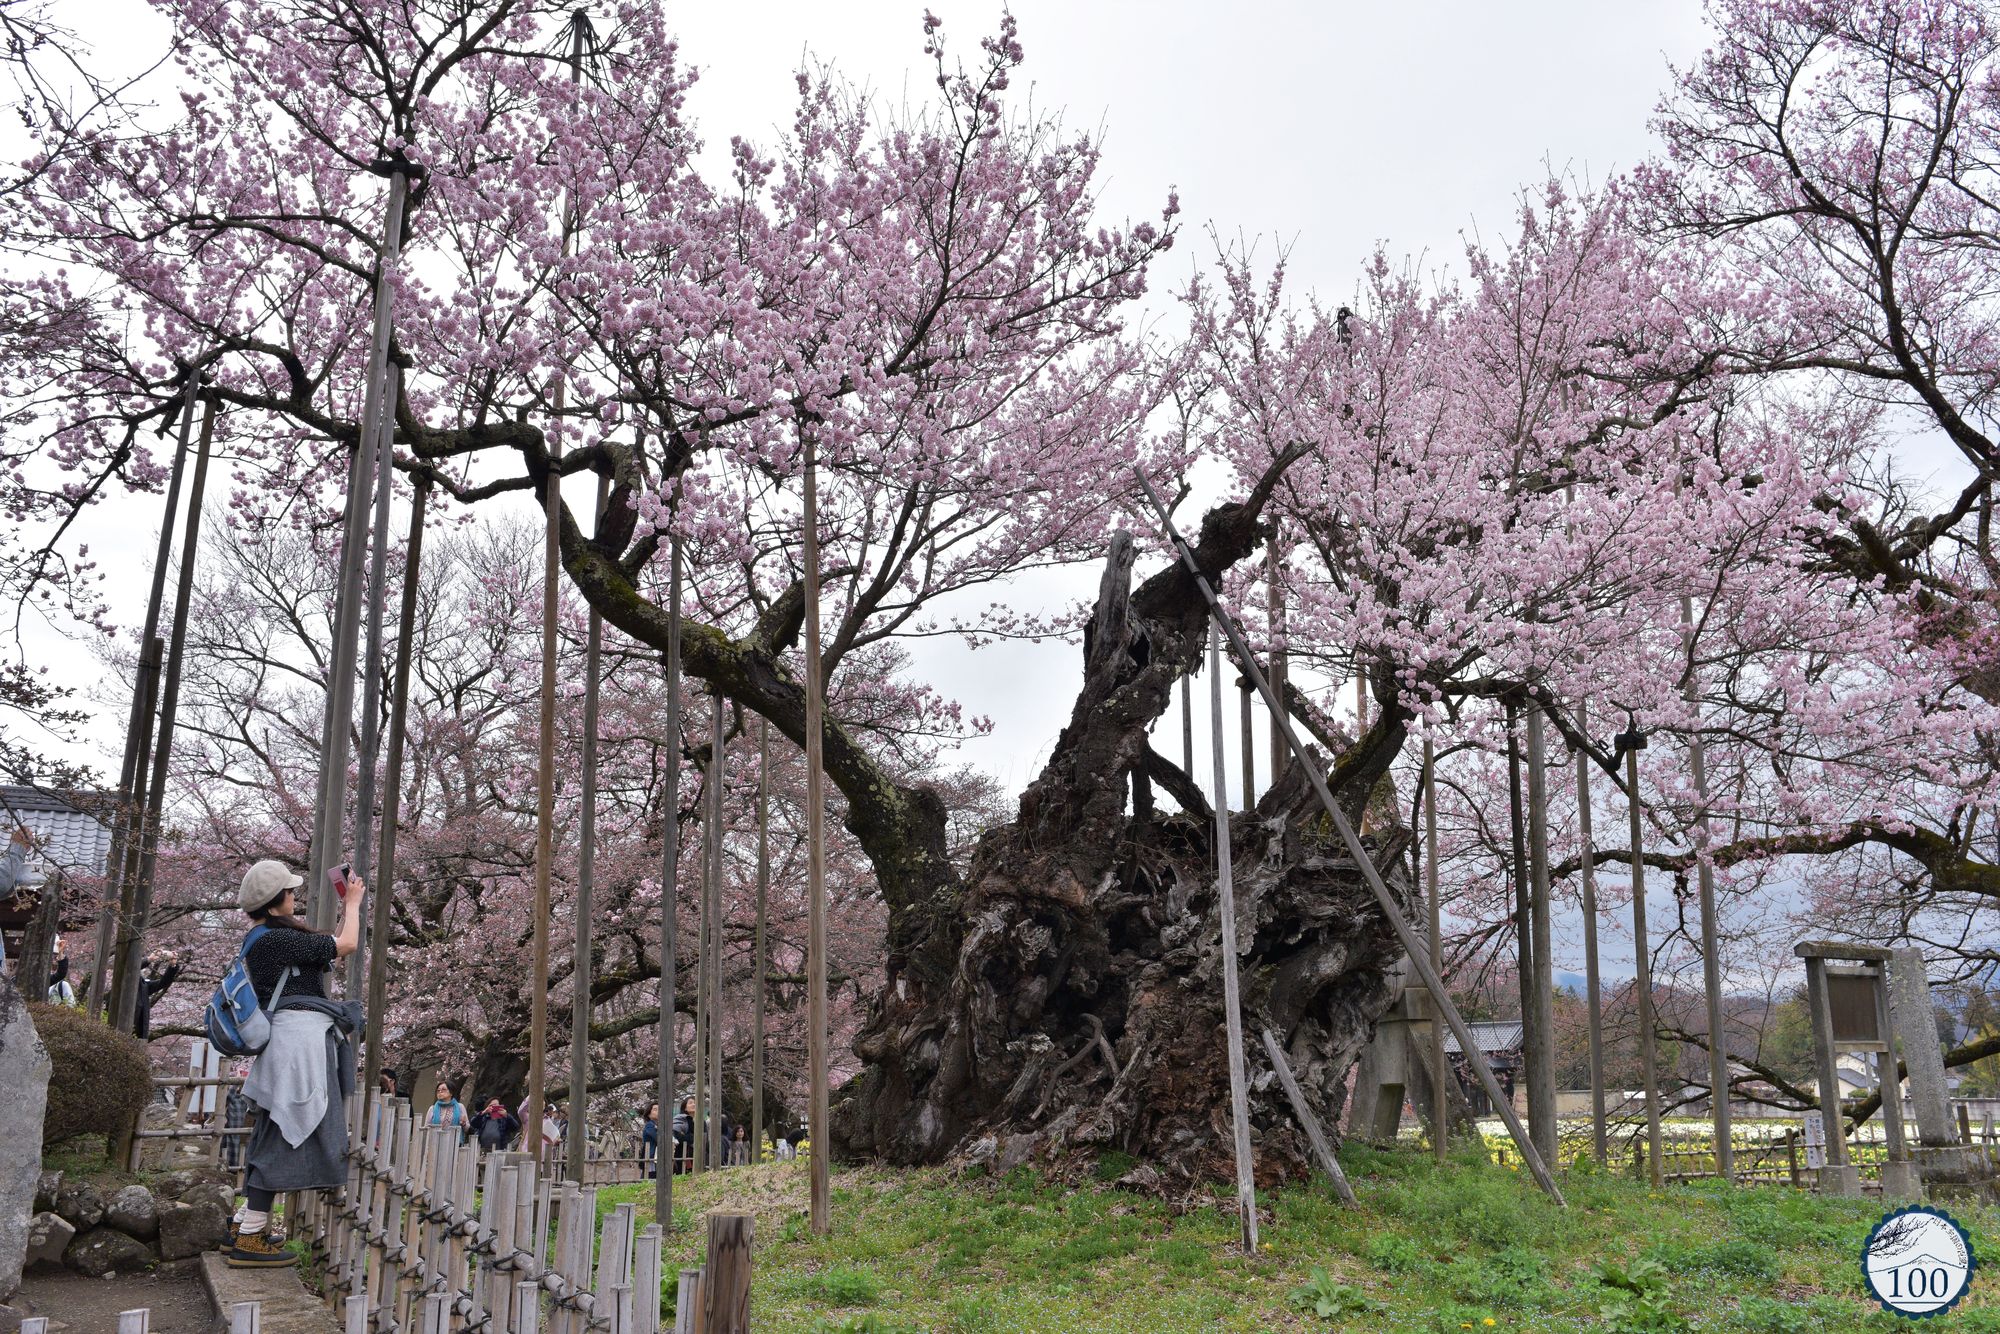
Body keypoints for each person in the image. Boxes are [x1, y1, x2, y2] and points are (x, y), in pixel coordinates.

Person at [227, 858, 364, 1269]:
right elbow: (347, 945)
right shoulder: (275, 940)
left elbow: (329, 948)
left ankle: (244, 1224)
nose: (294, 896)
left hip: (289, 1042)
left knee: (274, 1128)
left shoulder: (264, 939)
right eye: (289, 891)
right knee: (285, 1130)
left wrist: (346, 912)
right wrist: (353, 904)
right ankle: (250, 1237)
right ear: (275, 901)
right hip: (297, 1046)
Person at [135, 950, 182, 1040]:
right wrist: (149, 959)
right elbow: (131, 969)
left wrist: (172, 966)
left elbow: (163, 982)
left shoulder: (144, 985)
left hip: (139, 1032)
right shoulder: (124, 979)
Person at [671, 1097, 694, 1175]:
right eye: (690, 1103)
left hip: (695, 1153)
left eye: (695, 1103)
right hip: (681, 1153)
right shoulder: (679, 1119)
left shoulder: (702, 1121)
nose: (694, 1104)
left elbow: (704, 1137)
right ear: (685, 1107)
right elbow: (678, 1136)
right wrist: (691, 1137)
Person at [640, 1102, 660, 1178]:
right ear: (649, 1114)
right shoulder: (649, 1125)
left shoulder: (657, 1125)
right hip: (651, 1156)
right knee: (649, 1178)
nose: (658, 1111)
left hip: (654, 1156)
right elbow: (658, 1138)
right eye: (655, 1109)